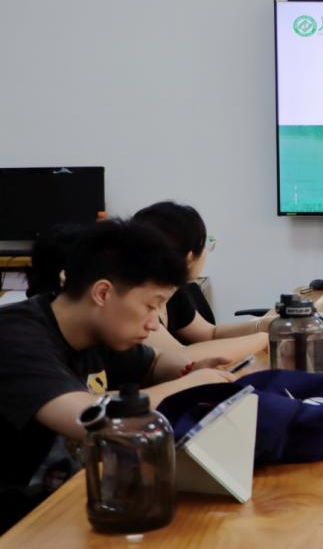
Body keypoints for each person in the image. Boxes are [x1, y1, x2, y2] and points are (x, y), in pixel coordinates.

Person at [0, 220, 235, 532]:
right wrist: (186, 386)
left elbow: (156, 362)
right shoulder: (15, 336)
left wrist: (192, 369)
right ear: (102, 293)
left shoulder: (97, 331)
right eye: (151, 306)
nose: (154, 323)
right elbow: (86, 419)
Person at [133, 202, 273, 361]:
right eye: (205, 245)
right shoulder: (137, 307)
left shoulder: (174, 290)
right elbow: (181, 358)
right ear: (189, 258)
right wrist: (262, 339)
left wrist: (265, 325)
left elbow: (210, 334)